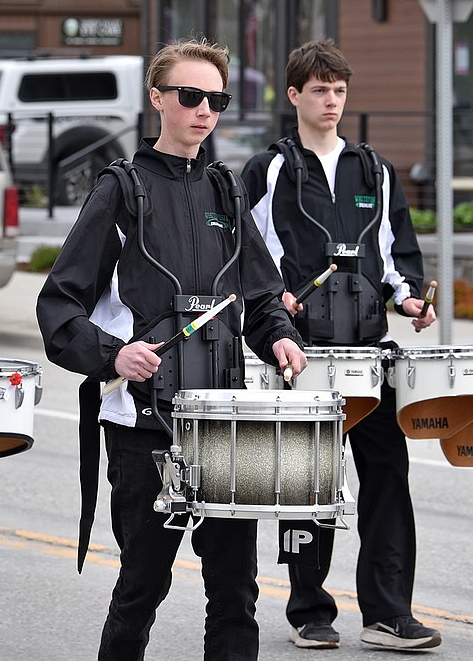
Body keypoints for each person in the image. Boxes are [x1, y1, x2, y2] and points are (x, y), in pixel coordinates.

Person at [36, 38, 307, 661]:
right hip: (144, 424)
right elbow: (58, 306)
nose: (204, 110)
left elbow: (262, 297)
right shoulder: (121, 190)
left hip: (225, 422)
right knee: (143, 587)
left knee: (236, 590)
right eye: (191, 96)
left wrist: (283, 338)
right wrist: (112, 355)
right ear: (158, 100)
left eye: (217, 98)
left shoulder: (227, 192)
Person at [241, 38, 440, 651]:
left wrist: (408, 298)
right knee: (310, 482)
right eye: (320, 90)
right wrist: (274, 305)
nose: (332, 101)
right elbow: (247, 255)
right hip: (299, 352)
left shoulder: (373, 169)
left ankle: (387, 612)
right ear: (294, 95)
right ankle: (310, 611)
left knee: (387, 480)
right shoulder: (269, 169)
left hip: (368, 352)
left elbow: (395, 247)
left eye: (340, 90)